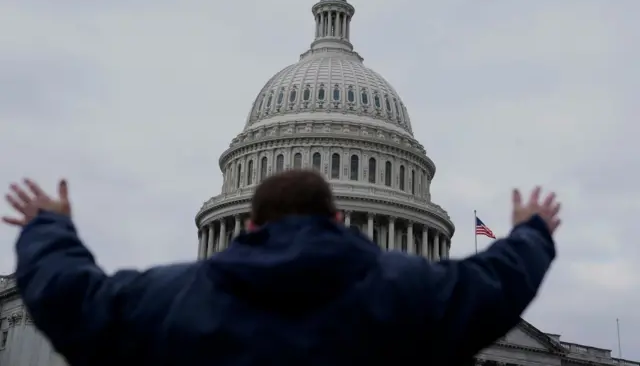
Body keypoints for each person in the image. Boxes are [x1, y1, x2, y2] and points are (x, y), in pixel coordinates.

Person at [2, 170, 561, 366]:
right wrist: (531, 232)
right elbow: (494, 284)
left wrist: (49, 228)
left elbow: (75, 299)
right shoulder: (410, 296)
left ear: (248, 223)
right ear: (339, 218)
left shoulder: (170, 299)